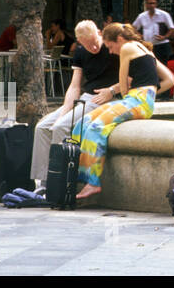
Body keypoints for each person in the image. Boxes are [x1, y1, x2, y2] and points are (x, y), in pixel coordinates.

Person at [75, 24, 174, 200]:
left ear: (119, 40)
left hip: (134, 100)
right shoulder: (145, 50)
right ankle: (77, 175)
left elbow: (123, 85)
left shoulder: (127, 47)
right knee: (82, 122)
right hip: (140, 100)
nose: (111, 52)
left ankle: (92, 182)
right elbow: (170, 80)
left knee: (96, 127)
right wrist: (149, 94)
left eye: (110, 46)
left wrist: (139, 94)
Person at [30, 20, 119, 195]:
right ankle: (43, 181)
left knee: (62, 127)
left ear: (99, 33)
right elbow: (74, 86)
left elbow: (129, 79)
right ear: (80, 42)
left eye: (94, 42)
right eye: (86, 44)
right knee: (42, 127)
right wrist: (64, 111)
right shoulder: (80, 53)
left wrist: (112, 90)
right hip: (85, 97)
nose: (92, 47)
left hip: (103, 99)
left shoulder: (112, 49)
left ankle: (59, 180)